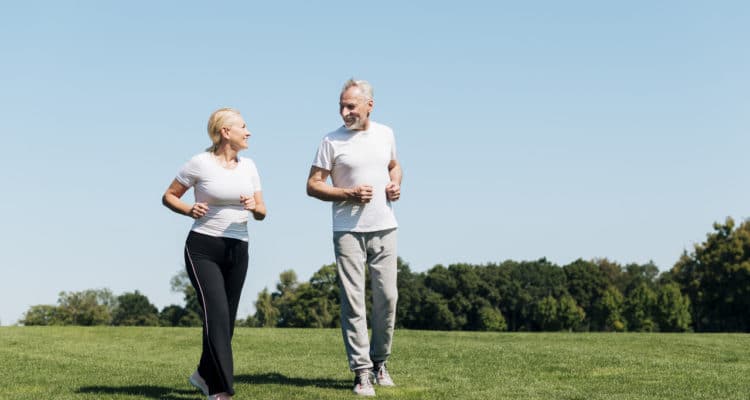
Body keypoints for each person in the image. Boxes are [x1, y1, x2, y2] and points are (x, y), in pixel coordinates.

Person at [162, 107, 266, 400]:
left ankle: (202, 374)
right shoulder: (200, 163)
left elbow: (262, 211)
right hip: (203, 247)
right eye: (243, 127)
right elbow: (169, 195)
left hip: (238, 248)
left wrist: (252, 206)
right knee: (217, 316)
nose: (248, 132)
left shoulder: (250, 167)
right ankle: (221, 390)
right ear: (225, 132)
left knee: (226, 320)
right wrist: (188, 209)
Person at [307, 79, 402, 396]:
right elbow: (313, 184)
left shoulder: (386, 134)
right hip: (347, 230)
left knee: (388, 298)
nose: (344, 112)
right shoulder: (331, 141)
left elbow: (394, 165)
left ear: (369, 106)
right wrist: (347, 192)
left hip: (385, 225)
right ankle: (361, 371)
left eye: (351, 106)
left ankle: (380, 362)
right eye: (341, 106)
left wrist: (395, 184)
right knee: (354, 302)